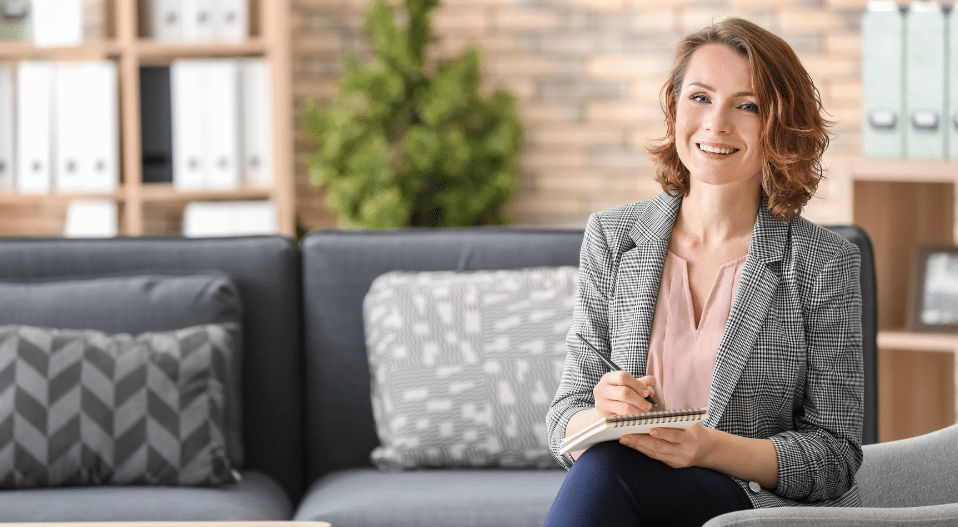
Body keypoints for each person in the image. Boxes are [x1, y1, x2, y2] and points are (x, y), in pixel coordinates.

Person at [543, 17, 864, 527]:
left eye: (747, 105)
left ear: (779, 125)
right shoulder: (612, 237)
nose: (717, 123)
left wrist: (708, 449)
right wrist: (600, 415)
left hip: (746, 505)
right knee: (607, 463)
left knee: (610, 472)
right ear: (673, 107)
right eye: (700, 98)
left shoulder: (823, 262)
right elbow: (565, 416)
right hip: (621, 486)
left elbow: (836, 457)